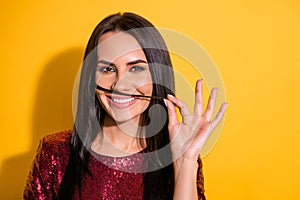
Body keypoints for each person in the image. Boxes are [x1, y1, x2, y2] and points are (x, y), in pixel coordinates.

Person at [23, 12, 228, 200]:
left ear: (157, 76)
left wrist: (185, 162)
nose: (120, 84)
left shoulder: (178, 153)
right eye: (107, 68)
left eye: (136, 68)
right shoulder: (56, 153)